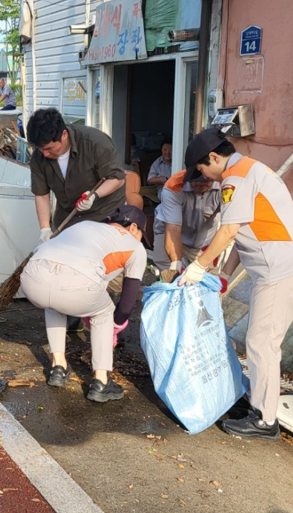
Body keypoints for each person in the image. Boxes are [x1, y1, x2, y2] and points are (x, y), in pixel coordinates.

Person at [179, 127, 293, 440]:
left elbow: (228, 232)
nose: (206, 177)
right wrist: (224, 273)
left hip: (281, 269)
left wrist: (199, 268)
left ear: (214, 157)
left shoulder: (236, 177)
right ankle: (259, 402)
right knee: (261, 340)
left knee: (261, 342)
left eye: (202, 169)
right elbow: (244, 236)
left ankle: (265, 420)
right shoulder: (247, 170)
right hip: (278, 267)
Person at [21, 205, 148, 403]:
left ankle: (58, 366)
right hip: (73, 283)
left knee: (53, 302)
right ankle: (101, 381)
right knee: (105, 312)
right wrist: (115, 326)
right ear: (133, 228)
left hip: (33, 277)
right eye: (141, 233)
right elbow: (127, 302)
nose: (141, 240)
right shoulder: (135, 246)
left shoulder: (86, 226)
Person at [26, 107, 126, 244]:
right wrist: (45, 228)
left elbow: (117, 178)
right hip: (68, 216)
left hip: (104, 213)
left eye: (49, 148)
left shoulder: (95, 142)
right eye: (40, 149)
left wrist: (94, 195)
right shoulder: (39, 157)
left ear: (64, 135)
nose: (45, 154)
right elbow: (41, 194)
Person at [152, 170, 224, 282]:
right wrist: (176, 266)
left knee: (207, 280)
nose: (200, 184)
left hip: (204, 238)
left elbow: (230, 228)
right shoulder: (173, 186)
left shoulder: (224, 185)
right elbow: (173, 229)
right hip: (170, 232)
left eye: (206, 181)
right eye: (196, 180)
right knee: (169, 275)